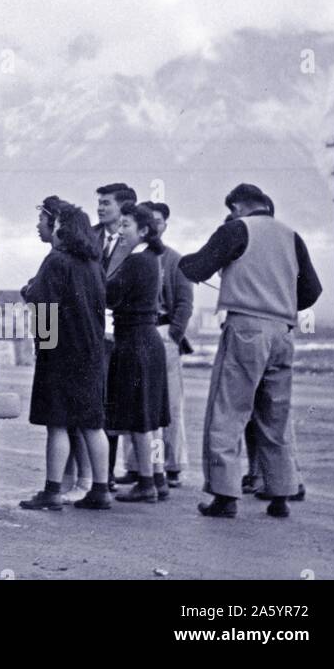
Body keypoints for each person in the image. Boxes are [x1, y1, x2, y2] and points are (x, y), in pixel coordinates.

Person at [180, 183, 322, 519]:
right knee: (275, 416)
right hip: (283, 333)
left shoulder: (236, 229)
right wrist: (280, 301)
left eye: (231, 210)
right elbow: (312, 291)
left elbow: (196, 269)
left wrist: (190, 258)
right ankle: (280, 494)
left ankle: (225, 496)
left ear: (240, 206)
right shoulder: (292, 236)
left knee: (228, 411)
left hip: (246, 329)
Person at [18, 204, 112, 512]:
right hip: (92, 353)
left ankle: (52, 491)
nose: (39, 225)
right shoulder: (93, 263)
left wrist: (28, 290)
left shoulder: (56, 261)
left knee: (57, 424)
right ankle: (100, 489)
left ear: (60, 226)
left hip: (59, 352)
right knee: (92, 424)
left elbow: (40, 302)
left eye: (44, 220)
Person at [120, 201, 193, 486]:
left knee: (168, 406)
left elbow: (185, 303)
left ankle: (170, 465)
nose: (156, 225)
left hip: (161, 333)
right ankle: (138, 466)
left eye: (160, 220)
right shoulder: (136, 255)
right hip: (146, 333)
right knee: (140, 405)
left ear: (163, 224)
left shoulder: (174, 260)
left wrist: (173, 334)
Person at [104, 202, 170, 504]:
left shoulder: (135, 261)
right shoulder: (152, 259)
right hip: (148, 340)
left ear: (143, 230)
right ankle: (156, 477)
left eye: (126, 225)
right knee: (150, 417)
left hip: (134, 340)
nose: (120, 230)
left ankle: (146, 484)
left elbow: (109, 294)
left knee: (140, 418)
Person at [93, 181, 136, 487]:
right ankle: (93, 474)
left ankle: (106, 475)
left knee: (113, 404)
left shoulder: (134, 242)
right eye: (100, 202)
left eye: (106, 203)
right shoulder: (89, 237)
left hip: (119, 335)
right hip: (91, 333)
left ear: (123, 207)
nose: (100, 207)